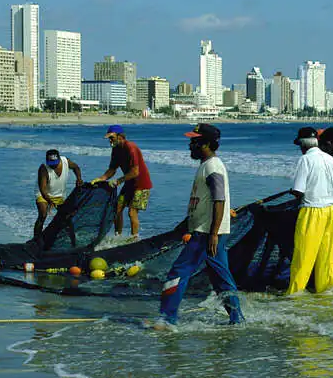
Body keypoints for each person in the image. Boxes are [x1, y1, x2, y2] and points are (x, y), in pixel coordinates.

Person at [157, 124, 243, 326]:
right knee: (220, 278)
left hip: (206, 233)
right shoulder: (206, 165)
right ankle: (237, 318)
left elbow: (219, 200)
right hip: (209, 231)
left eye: (194, 141)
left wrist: (212, 234)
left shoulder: (213, 167)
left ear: (206, 144)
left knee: (178, 272)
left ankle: (167, 319)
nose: (190, 145)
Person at [286, 127, 333, 295]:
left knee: (304, 256)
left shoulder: (305, 160)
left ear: (303, 145)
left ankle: (295, 295)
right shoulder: (330, 159)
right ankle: (326, 293)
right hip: (331, 211)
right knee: (327, 258)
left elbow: (299, 190)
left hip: (312, 211)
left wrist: (293, 191)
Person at [95, 125, 152, 240]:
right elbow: (112, 170)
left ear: (120, 136)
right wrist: (101, 178)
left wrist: (119, 181)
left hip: (141, 184)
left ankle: (134, 239)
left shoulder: (131, 147)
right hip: (129, 183)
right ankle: (118, 236)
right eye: (109, 138)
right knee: (117, 209)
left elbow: (135, 172)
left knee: (132, 212)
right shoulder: (115, 149)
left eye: (112, 138)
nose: (110, 141)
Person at [33, 149, 83, 240]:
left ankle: (72, 239)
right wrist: (49, 201)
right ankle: (36, 239)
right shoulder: (43, 169)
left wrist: (79, 178)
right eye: (51, 163)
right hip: (43, 194)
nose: (53, 165)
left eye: (55, 163)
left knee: (67, 217)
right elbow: (43, 189)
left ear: (59, 159)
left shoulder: (66, 161)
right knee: (43, 214)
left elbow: (76, 167)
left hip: (59, 195)